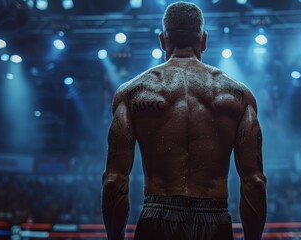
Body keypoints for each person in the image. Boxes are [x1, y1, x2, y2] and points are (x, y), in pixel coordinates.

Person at [101, 2, 267, 240]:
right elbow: (255, 181)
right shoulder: (238, 95)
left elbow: (114, 179)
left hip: (156, 219)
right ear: (204, 40)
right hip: (214, 219)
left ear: (161, 40)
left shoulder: (132, 93)